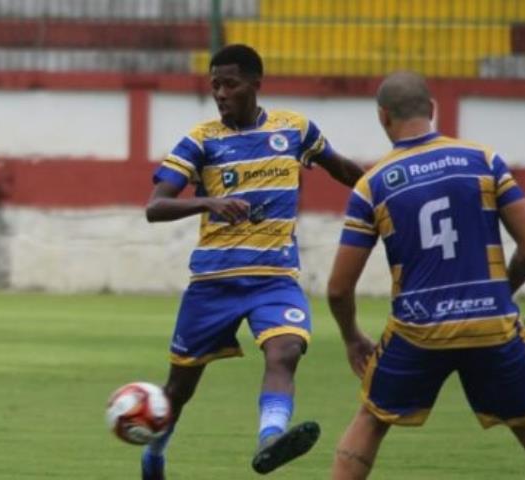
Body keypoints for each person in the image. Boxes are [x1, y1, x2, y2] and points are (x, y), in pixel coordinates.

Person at [326, 71, 525, 479]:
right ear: (433, 109)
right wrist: (499, 292)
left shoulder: (372, 185)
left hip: (419, 328)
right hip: (492, 322)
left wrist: (352, 337)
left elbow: (338, 288)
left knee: (371, 419)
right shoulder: (484, 161)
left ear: (383, 117)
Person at [144, 44, 364, 478]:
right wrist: (209, 202)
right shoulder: (201, 140)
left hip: (274, 279)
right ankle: (153, 455)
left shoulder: (294, 129)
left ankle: (271, 438)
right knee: (179, 388)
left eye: (230, 84)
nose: (220, 94)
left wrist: (384, 189)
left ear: (255, 84)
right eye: (214, 86)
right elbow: (155, 206)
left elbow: (340, 168)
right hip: (213, 284)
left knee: (286, 350)